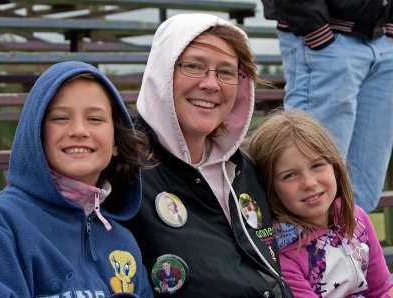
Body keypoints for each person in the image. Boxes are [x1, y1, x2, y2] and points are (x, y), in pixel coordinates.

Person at [125, 13, 293, 297]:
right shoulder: (125, 171)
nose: (211, 84)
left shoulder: (244, 169)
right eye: (194, 66)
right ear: (162, 71)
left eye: (226, 72)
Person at [0, 61, 153, 297]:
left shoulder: (124, 243)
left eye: (95, 119)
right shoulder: (2, 224)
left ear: (116, 141)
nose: (79, 130)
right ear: (37, 132)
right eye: (60, 118)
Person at [260, 0, 393, 212]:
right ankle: (304, 245)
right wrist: (317, 32)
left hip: (381, 38)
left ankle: (350, 243)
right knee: (309, 180)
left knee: (363, 189)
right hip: (325, 38)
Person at [246, 109, 393, 297]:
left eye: (317, 165)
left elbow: (380, 290)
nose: (309, 183)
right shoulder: (283, 256)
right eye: (290, 175)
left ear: (335, 167)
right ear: (269, 188)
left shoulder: (357, 218)